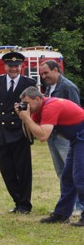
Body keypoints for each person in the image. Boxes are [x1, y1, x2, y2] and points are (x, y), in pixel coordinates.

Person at [17, 86, 84, 227]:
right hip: (77, 138)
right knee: (67, 177)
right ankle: (62, 214)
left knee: (80, 176)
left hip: (81, 136)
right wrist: (24, 118)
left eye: (27, 104)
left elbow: (42, 135)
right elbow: (31, 135)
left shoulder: (50, 107)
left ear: (37, 99)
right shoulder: (38, 109)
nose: (26, 107)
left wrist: (27, 118)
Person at [0, 52, 36, 214]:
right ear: (5, 66)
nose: (14, 68)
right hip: (1, 132)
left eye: (17, 66)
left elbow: (34, 106)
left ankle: (25, 204)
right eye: (10, 66)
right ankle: (17, 200)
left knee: (23, 170)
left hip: (20, 131)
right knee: (7, 170)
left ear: (22, 66)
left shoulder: (29, 83)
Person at [40, 60, 83, 215]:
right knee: (62, 172)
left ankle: (80, 206)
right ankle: (67, 205)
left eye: (46, 73)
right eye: (42, 74)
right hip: (53, 136)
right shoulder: (48, 88)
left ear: (56, 70)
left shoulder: (68, 87)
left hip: (67, 137)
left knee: (75, 172)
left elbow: (76, 112)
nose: (44, 76)